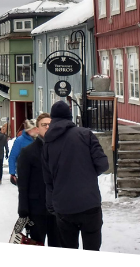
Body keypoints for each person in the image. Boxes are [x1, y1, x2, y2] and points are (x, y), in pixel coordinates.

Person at [42, 101, 109, 256]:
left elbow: (48, 179)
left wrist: (51, 204)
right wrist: (88, 174)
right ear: (70, 117)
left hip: (63, 207)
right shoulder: (86, 135)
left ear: (52, 119)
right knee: (92, 251)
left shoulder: (48, 143)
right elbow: (103, 164)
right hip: (89, 203)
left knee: (68, 250)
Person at [16, 113, 61, 255]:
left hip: (58, 209)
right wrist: (23, 211)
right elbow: (23, 185)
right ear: (37, 128)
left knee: (57, 247)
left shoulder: (61, 150)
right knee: (35, 249)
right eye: (44, 125)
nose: (47, 127)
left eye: (50, 125)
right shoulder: (28, 152)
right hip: (37, 209)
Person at [9, 119, 37, 185]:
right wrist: (12, 173)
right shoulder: (20, 140)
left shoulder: (40, 139)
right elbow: (12, 157)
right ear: (29, 130)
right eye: (34, 128)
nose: (37, 130)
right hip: (24, 173)